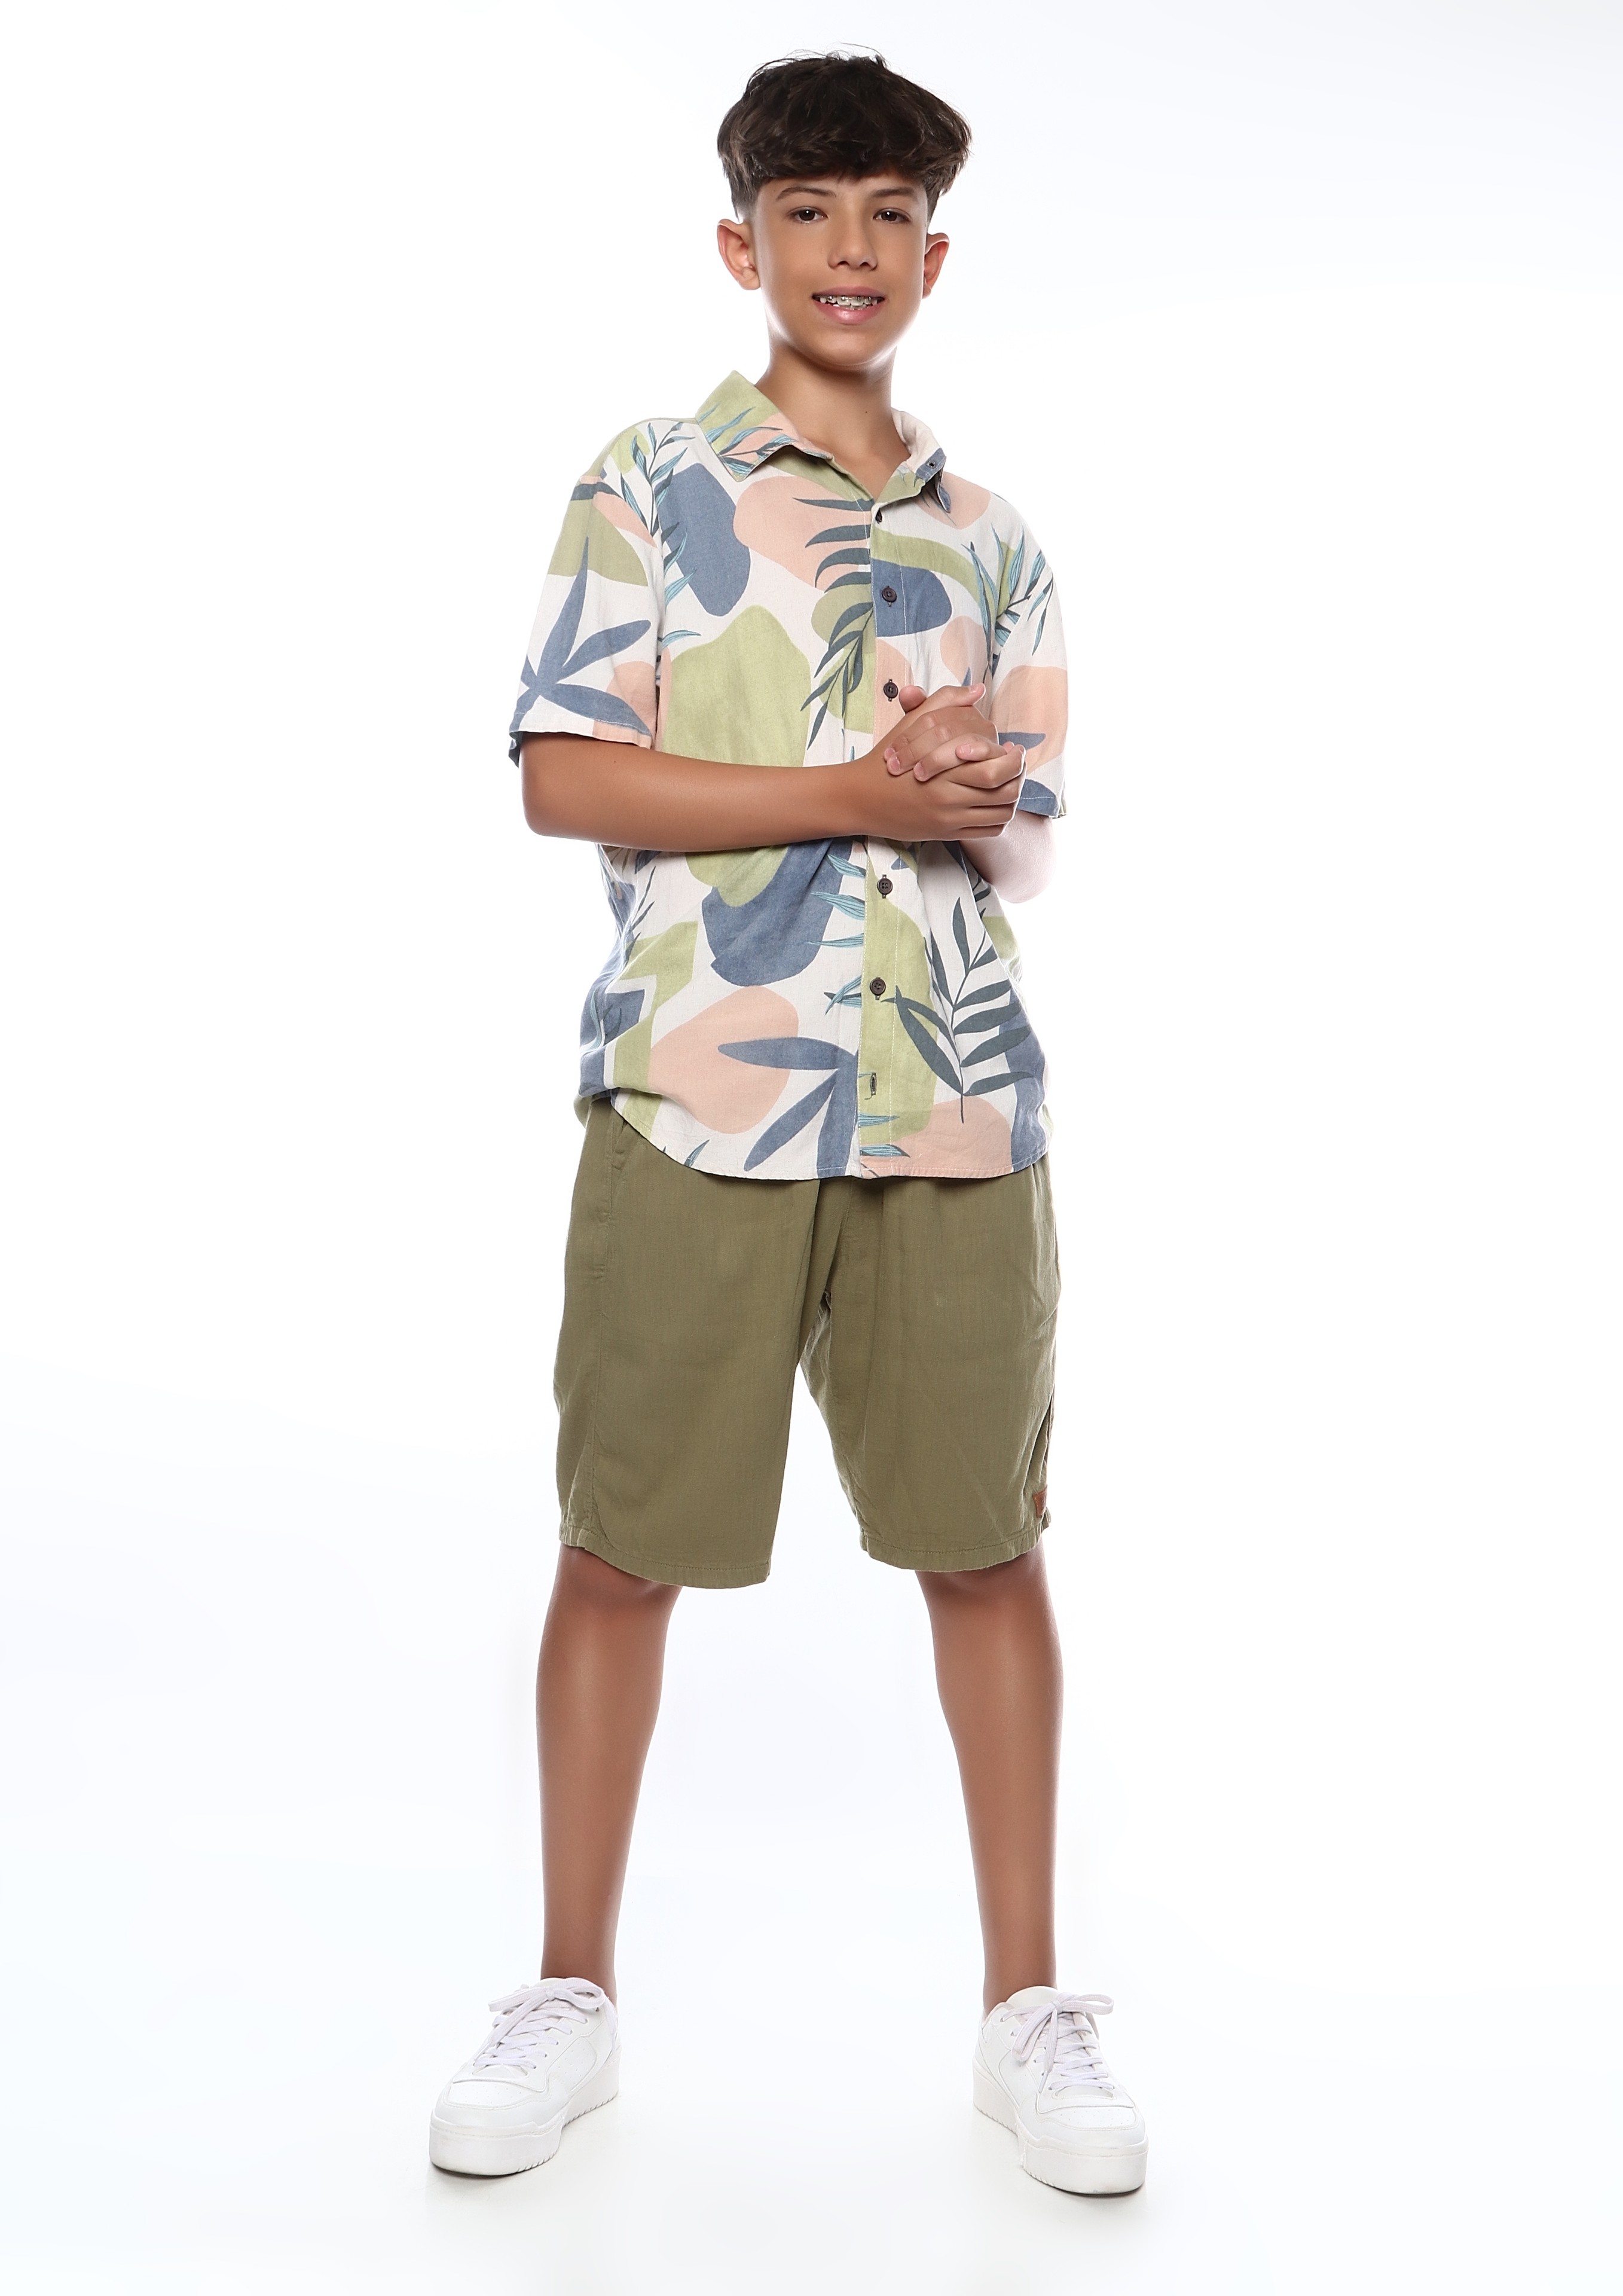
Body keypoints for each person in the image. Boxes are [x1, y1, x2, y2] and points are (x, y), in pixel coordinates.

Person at [428, 50, 1147, 2199]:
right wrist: (852, 786)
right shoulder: (649, 483)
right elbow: (566, 775)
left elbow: (1024, 853)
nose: (852, 251)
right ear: (739, 245)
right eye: (810, 212)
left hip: (955, 1105)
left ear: (937, 252)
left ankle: (1029, 2013)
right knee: (619, 1547)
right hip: (697, 1088)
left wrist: (971, 792)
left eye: (888, 215)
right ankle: (568, 1995)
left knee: (987, 1547)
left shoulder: (996, 542)